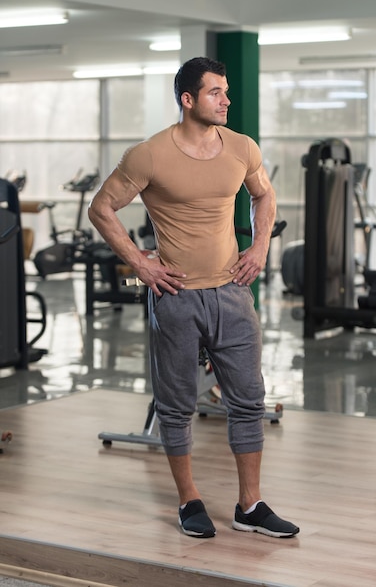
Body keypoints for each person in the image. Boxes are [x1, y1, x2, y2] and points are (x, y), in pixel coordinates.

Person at [88, 56, 299, 540]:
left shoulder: (242, 148)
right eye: (216, 93)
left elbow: (264, 197)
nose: (227, 100)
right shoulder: (150, 155)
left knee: (249, 401)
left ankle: (251, 505)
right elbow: (101, 208)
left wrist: (260, 247)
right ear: (188, 99)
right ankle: (189, 501)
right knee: (177, 405)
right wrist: (141, 265)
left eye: (226, 91)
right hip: (176, 294)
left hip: (232, 293)